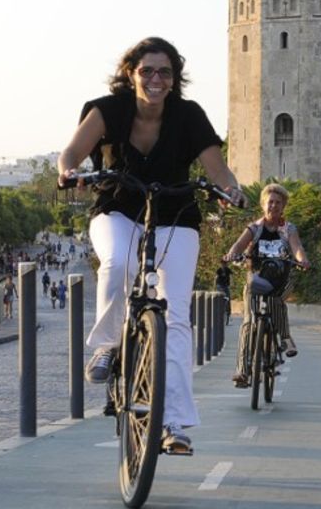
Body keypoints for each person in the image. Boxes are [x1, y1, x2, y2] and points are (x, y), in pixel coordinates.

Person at [58, 35, 243, 456]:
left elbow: (218, 169)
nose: (156, 79)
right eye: (147, 71)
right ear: (131, 74)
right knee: (120, 262)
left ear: (174, 79)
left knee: (175, 315)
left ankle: (174, 423)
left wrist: (232, 191)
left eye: (165, 72)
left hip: (175, 214)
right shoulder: (109, 110)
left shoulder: (189, 115)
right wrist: (69, 170)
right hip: (118, 208)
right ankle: (107, 345)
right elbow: (71, 151)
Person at [223, 183, 310, 387]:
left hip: (281, 279)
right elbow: (238, 245)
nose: (274, 206)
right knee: (248, 322)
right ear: (263, 205)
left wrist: (302, 260)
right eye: (270, 202)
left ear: (283, 206)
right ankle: (242, 371)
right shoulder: (255, 228)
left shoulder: (288, 228)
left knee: (277, 301)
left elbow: (296, 247)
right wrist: (231, 254)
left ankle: (285, 338)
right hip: (257, 279)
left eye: (278, 203)